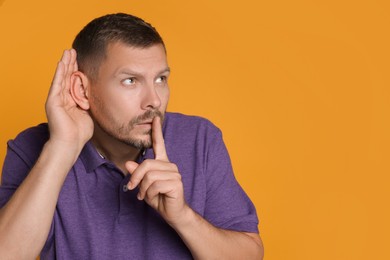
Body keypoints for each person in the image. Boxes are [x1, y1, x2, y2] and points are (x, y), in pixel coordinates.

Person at [0, 13, 264, 259]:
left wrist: (183, 217)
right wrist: (62, 147)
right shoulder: (33, 148)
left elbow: (250, 253)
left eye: (160, 79)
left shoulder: (199, 139)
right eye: (130, 81)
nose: (154, 101)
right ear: (82, 89)